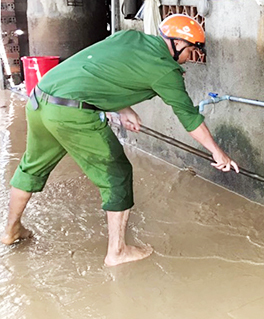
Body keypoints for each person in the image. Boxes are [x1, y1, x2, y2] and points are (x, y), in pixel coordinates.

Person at [1, 14, 239, 266]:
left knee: (32, 165)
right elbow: (189, 118)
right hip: (72, 112)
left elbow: (102, 69)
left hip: (40, 98)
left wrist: (123, 109)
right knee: (117, 173)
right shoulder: (165, 70)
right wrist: (217, 152)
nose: (189, 59)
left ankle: (10, 231)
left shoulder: (130, 37)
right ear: (178, 44)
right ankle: (117, 251)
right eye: (190, 50)